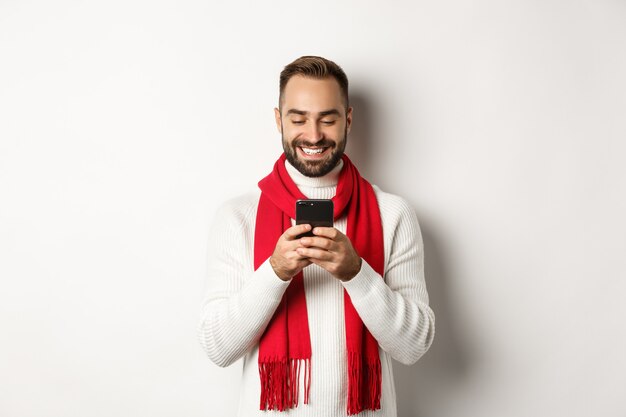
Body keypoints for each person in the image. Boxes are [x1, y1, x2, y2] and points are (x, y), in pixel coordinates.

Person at [197, 56, 435, 417]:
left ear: (348, 120)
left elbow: (413, 346)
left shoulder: (392, 214)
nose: (313, 135)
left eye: (328, 118)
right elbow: (218, 348)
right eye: (298, 119)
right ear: (278, 120)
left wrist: (357, 273)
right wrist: (275, 271)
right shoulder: (238, 217)